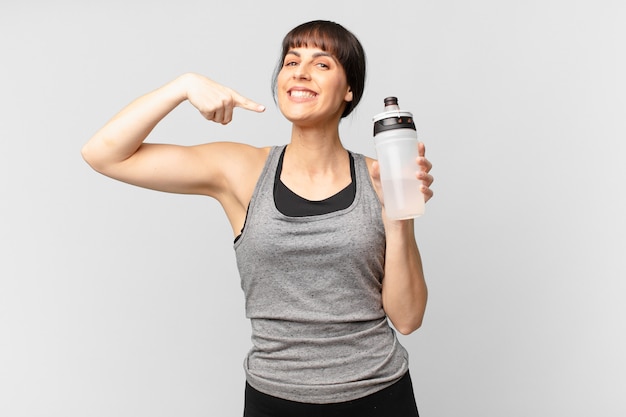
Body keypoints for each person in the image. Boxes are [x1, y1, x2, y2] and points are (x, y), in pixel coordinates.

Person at [82, 20, 433, 417]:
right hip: (274, 399)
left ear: (349, 89)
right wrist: (181, 86)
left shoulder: (383, 176)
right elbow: (103, 154)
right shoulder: (242, 170)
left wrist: (397, 216)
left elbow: (407, 319)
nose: (299, 71)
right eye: (290, 61)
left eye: (322, 64)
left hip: (380, 397)